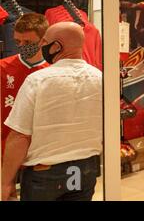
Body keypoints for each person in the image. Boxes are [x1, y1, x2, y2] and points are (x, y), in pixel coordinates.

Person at [1, 22, 102, 201]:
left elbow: (19, 137)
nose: (41, 46)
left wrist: (6, 181)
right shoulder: (100, 78)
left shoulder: (38, 80)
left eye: (45, 41)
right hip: (86, 167)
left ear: (56, 46)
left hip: (45, 173)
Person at [1, 13, 49, 157]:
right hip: (7, 149)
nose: (21, 46)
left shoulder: (52, 72)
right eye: (17, 41)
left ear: (43, 41)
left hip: (40, 151)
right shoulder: (3, 67)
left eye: (27, 43)